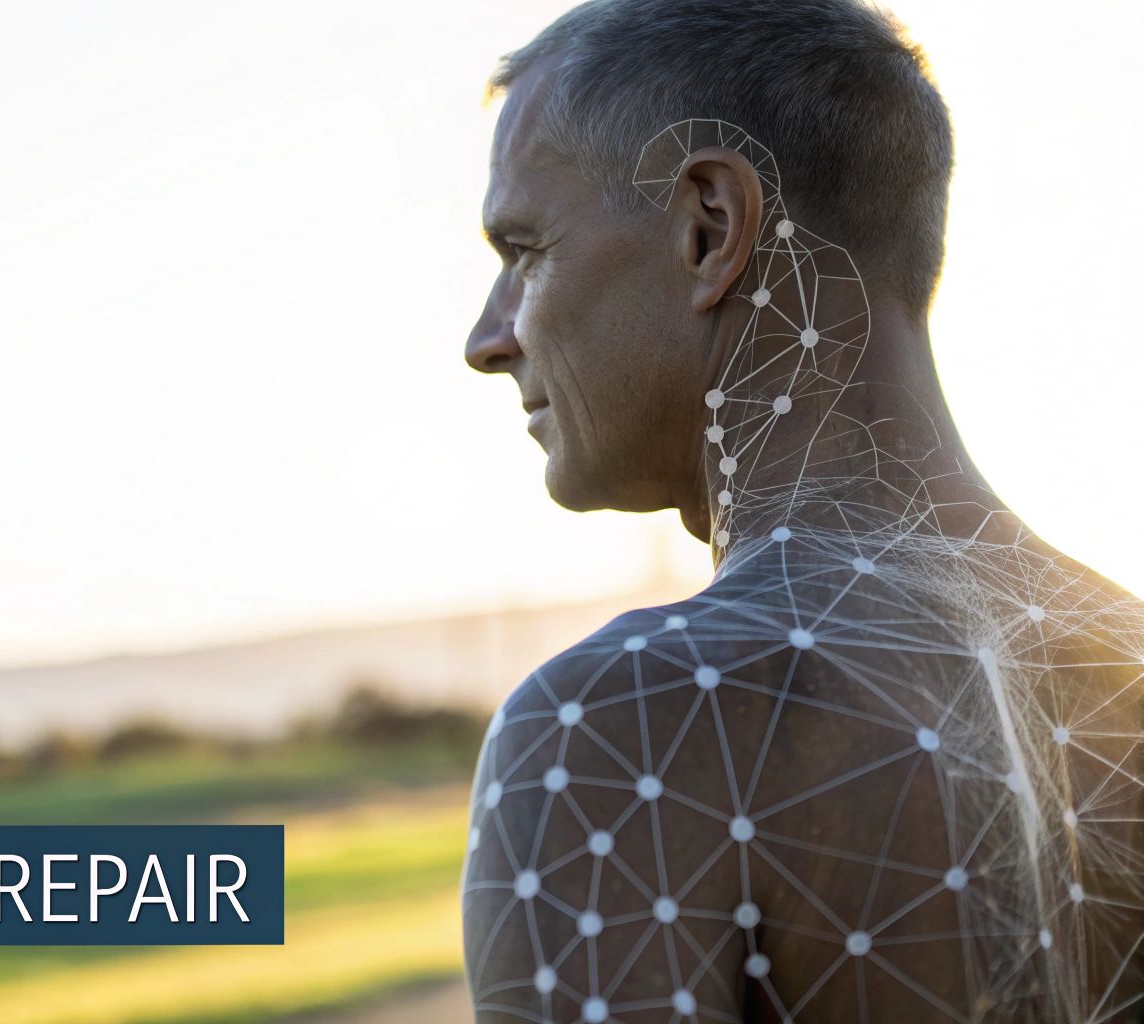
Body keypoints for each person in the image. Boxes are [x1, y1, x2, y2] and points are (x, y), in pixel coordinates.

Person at [459, 1, 1144, 1020]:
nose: (486, 336)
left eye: (524, 249)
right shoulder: (1122, 663)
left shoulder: (627, 728)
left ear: (709, 228)